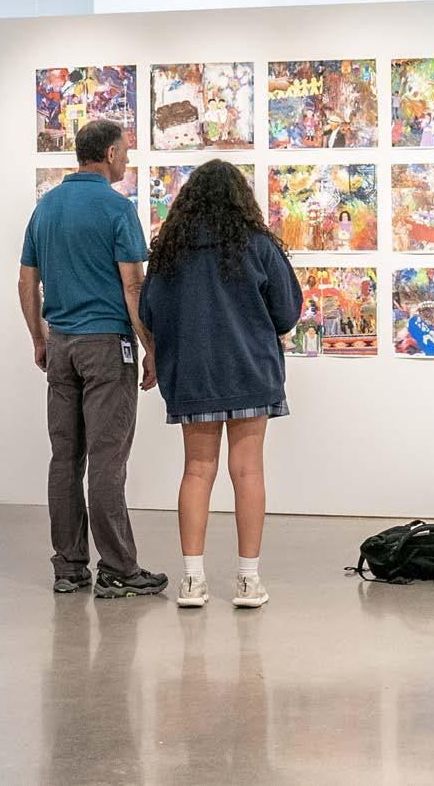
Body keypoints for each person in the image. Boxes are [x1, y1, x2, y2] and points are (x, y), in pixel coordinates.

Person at [139, 160, 303, 610]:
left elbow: (150, 313)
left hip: (193, 375)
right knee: (247, 471)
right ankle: (248, 581)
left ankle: (192, 581)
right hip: (250, 371)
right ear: (240, 199)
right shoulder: (258, 245)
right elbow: (287, 312)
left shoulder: (170, 252)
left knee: (197, 470)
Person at [18, 119, 168, 599]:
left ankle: (69, 567)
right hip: (107, 347)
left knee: (65, 458)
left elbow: (26, 281)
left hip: (61, 345)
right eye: (125, 151)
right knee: (107, 459)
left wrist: (39, 338)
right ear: (108, 154)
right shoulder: (117, 209)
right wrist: (151, 347)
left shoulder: (46, 208)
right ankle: (119, 568)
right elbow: (133, 286)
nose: (127, 159)